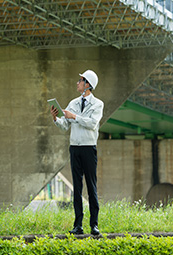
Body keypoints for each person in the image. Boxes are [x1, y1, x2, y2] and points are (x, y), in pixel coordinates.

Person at [50, 70, 104, 235]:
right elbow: (65, 125)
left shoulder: (98, 104)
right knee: (77, 187)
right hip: (74, 148)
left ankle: (94, 225)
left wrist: (74, 117)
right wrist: (55, 119)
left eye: (80, 80)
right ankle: (78, 225)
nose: (77, 83)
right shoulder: (73, 103)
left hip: (88, 148)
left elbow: (93, 124)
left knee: (91, 186)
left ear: (88, 84)